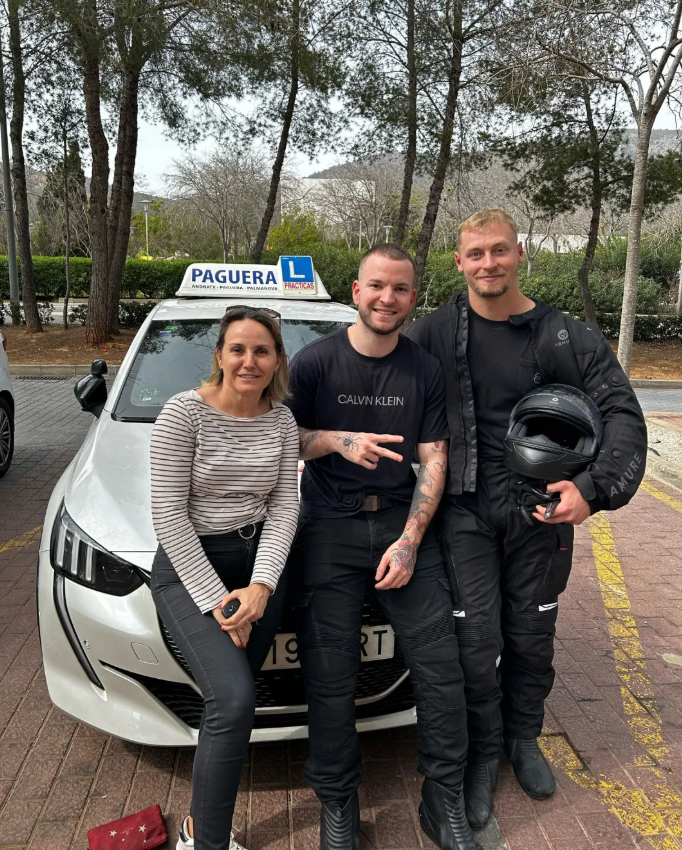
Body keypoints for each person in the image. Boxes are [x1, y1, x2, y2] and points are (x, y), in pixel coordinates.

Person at [407, 210, 647, 828]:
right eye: (475, 254)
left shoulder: (565, 337)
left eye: (499, 251)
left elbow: (621, 411)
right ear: (457, 263)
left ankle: (523, 739)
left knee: (531, 636)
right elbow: (376, 375)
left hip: (541, 513)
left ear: (519, 254)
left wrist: (592, 491)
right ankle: (484, 754)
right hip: (463, 511)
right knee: (476, 641)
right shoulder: (433, 333)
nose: (488, 264)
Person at [286, 244, 481, 850]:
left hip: (400, 529)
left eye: (399, 289)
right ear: (356, 290)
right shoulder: (314, 363)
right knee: (329, 673)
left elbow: (434, 459)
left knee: (442, 669)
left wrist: (410, 540)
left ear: (412, 299)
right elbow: (285, 439)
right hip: (328, 530)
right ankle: (339, 806)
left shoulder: (424, 369)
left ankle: (442, 799)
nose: (386, 298)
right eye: (376, 286)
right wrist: (338, 441)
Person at [150, 306, 300, 850]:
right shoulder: (182, 414)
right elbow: (167, 514)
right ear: (219, 355)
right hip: (191, 573)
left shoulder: (281, 420)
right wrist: (219, 602)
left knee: (231, 703)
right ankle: (205, 839)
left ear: (277, 360)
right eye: (238, 348)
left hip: (259, 570)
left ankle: (197, 822)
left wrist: (260, 587)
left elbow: (285, 507)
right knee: (234, 701)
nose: (249, 360)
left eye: (262, 350)